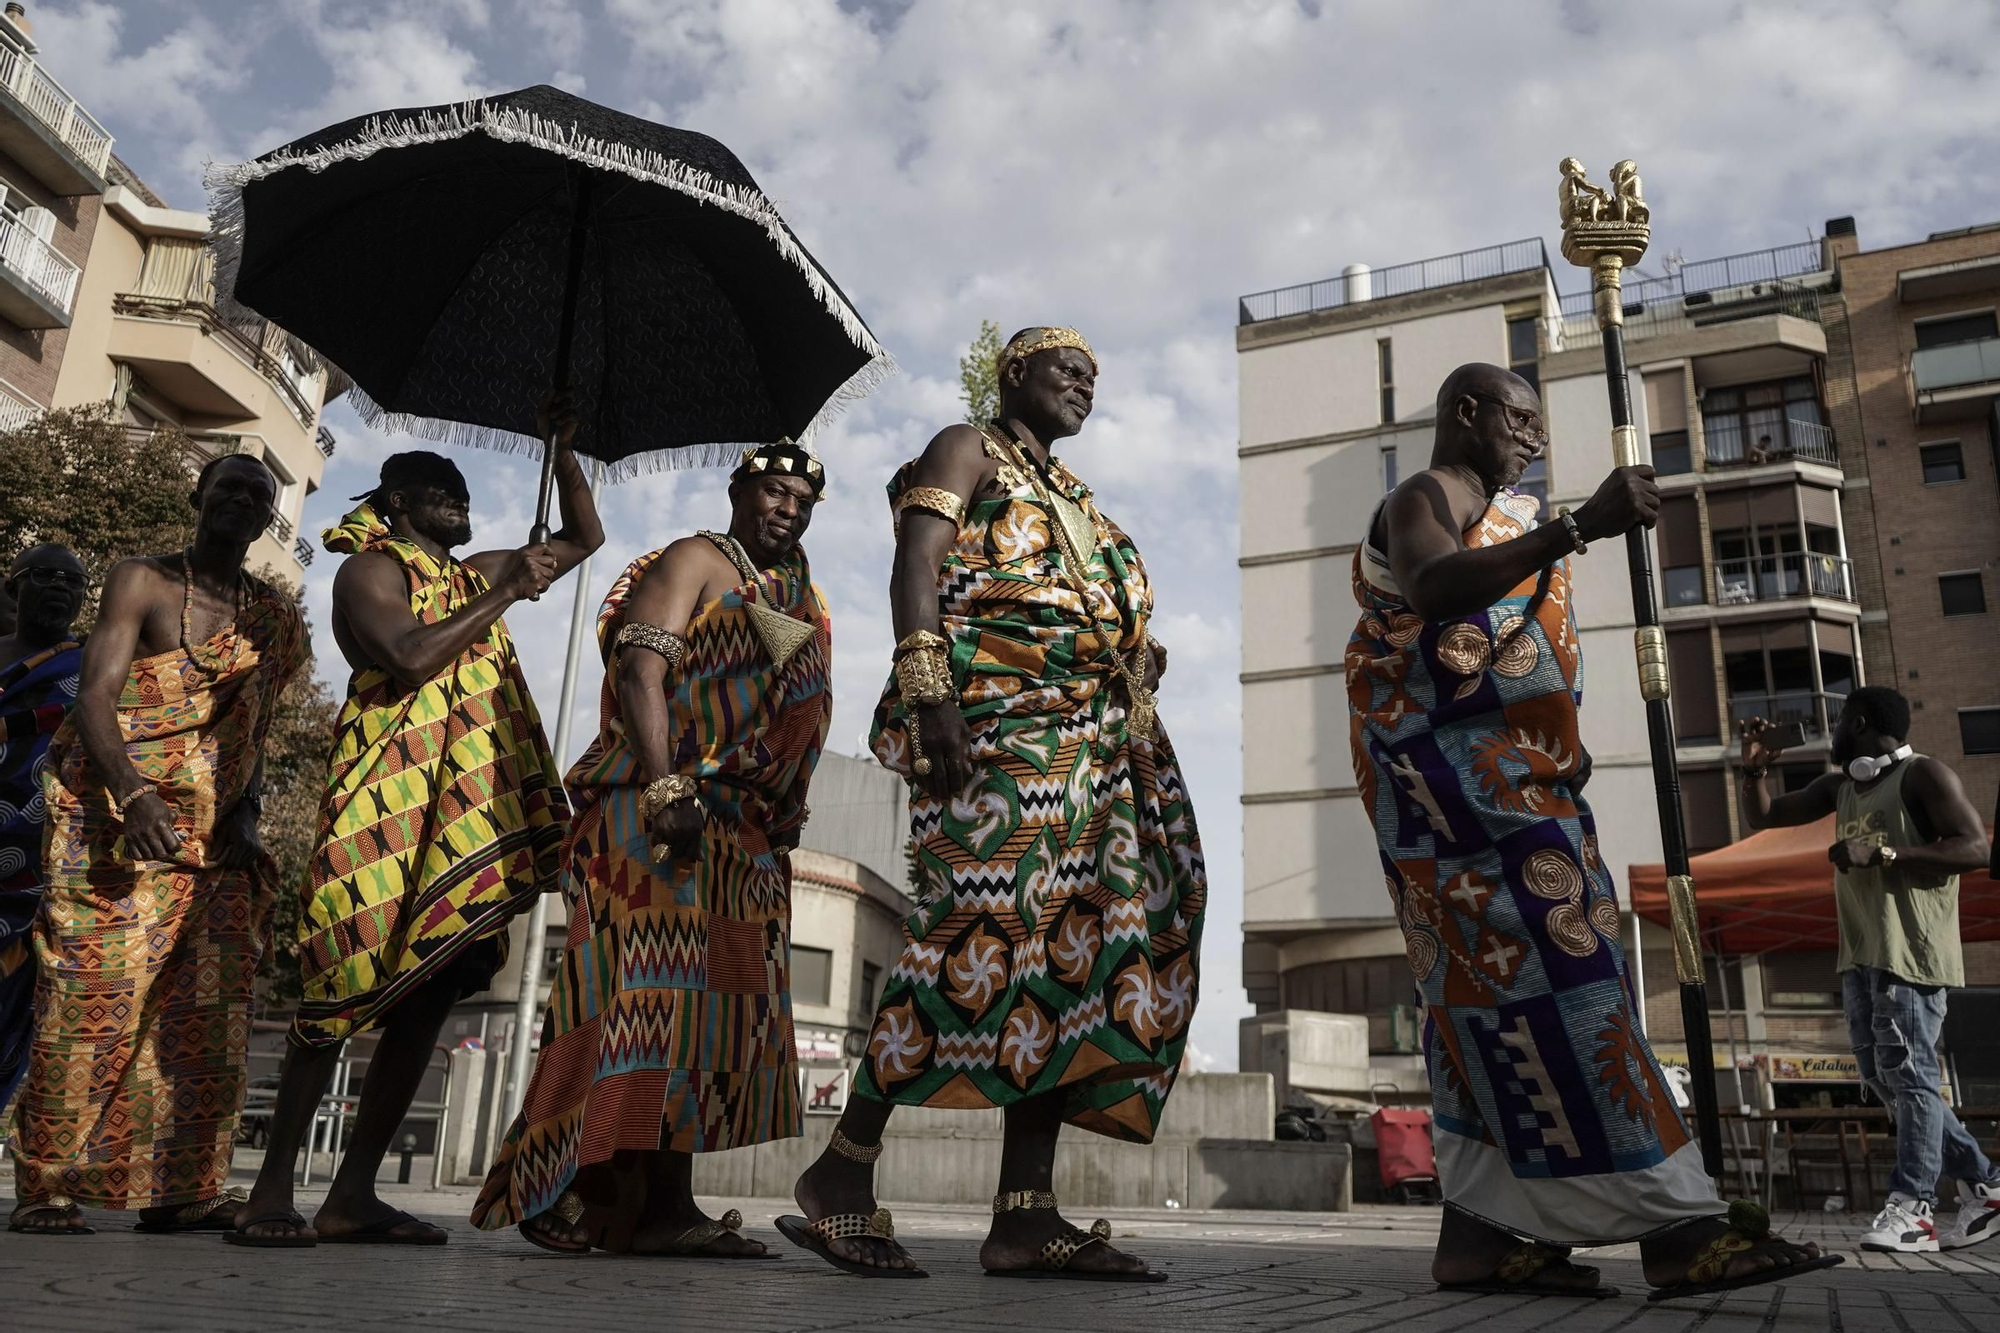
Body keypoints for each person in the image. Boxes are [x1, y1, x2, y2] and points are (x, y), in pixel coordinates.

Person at [1347, 363, 1837, 1300]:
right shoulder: (1421, 497)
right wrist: (1578, 525)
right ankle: (1679, 1229)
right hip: (1463, 800)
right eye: (1519, 419)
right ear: (1467, 412)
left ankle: (1481, 1238)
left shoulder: (1512, 516)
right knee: (1574, 990)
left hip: (1519, 789)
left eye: (1541, 425)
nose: (1534, 438)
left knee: (1480, 1016)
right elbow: (1438, 586)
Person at [779, 327, 1206, 1281]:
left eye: (1095, 377)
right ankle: (839, 1172)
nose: (1084, 387)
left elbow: (1085, 606)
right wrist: (930, 691)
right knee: (963, 938)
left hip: (1086, 748)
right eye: (1067, 371)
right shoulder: (967, 446)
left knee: (1071, 955)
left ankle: (1025, 1214)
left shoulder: (1080, 500)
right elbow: (917, 564)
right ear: (1014, 373)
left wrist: (1135, 657)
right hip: (989, 734)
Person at [231, 416, 600, 1248]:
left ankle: (352, 1193)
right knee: (338, 986)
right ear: (399, 502)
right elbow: (407, 654)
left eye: (466, 495)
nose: (462, 504)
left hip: (465, 814)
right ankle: (271, 1191)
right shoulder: (368, 571)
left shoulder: (469, 572)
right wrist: (506, 591)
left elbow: (584, 534)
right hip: (381, 810)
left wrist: (564, 449)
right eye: (444, 493)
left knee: (432, 987)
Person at [471, 441, 831, 1257]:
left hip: (739, 830)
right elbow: (642, 670)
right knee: (635, 1003)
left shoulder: (791, 587)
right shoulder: (696, 558)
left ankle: (658, 1207)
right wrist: (667, 786)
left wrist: (783, 796)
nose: (789, 508)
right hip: (658, 813)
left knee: (699, 1023)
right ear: (739, 491)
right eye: (775, 491)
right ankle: (562, 1188)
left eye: (804, 500)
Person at [8, 455, 307, 1235]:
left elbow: (255, 734)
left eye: (258, 493)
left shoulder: (268, 615)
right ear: (198, 498)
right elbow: (99, 695)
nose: (242, 499)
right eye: (230, 486)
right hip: (116, 822)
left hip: (215, 838)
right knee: (86, 999)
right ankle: (44, 1183)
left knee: (202, 1014)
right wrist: (133, 792)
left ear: (268, 519)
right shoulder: (141, 579)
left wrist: (247, 814)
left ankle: (182, 1188)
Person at [1743, 687, 1995, 1253]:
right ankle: (1988, 1185)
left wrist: (1883, 854)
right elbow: (1766, 816)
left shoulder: (1924, 776)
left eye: (1838, 722)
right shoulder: (1842, 787)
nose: (1832, 732)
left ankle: (1914, 1210)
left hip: (1911, 954)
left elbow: (1976, 848)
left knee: (1911, 1079)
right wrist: (1753, 771)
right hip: (1861, 956)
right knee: (1888, 1082)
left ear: (1857, 722)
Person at [0, 546, 88, 1117]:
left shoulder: (91, 666)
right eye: (44, 575)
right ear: (15, 587)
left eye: (72, 580)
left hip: (39, 861)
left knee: (14, 1009)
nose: (59, 586)